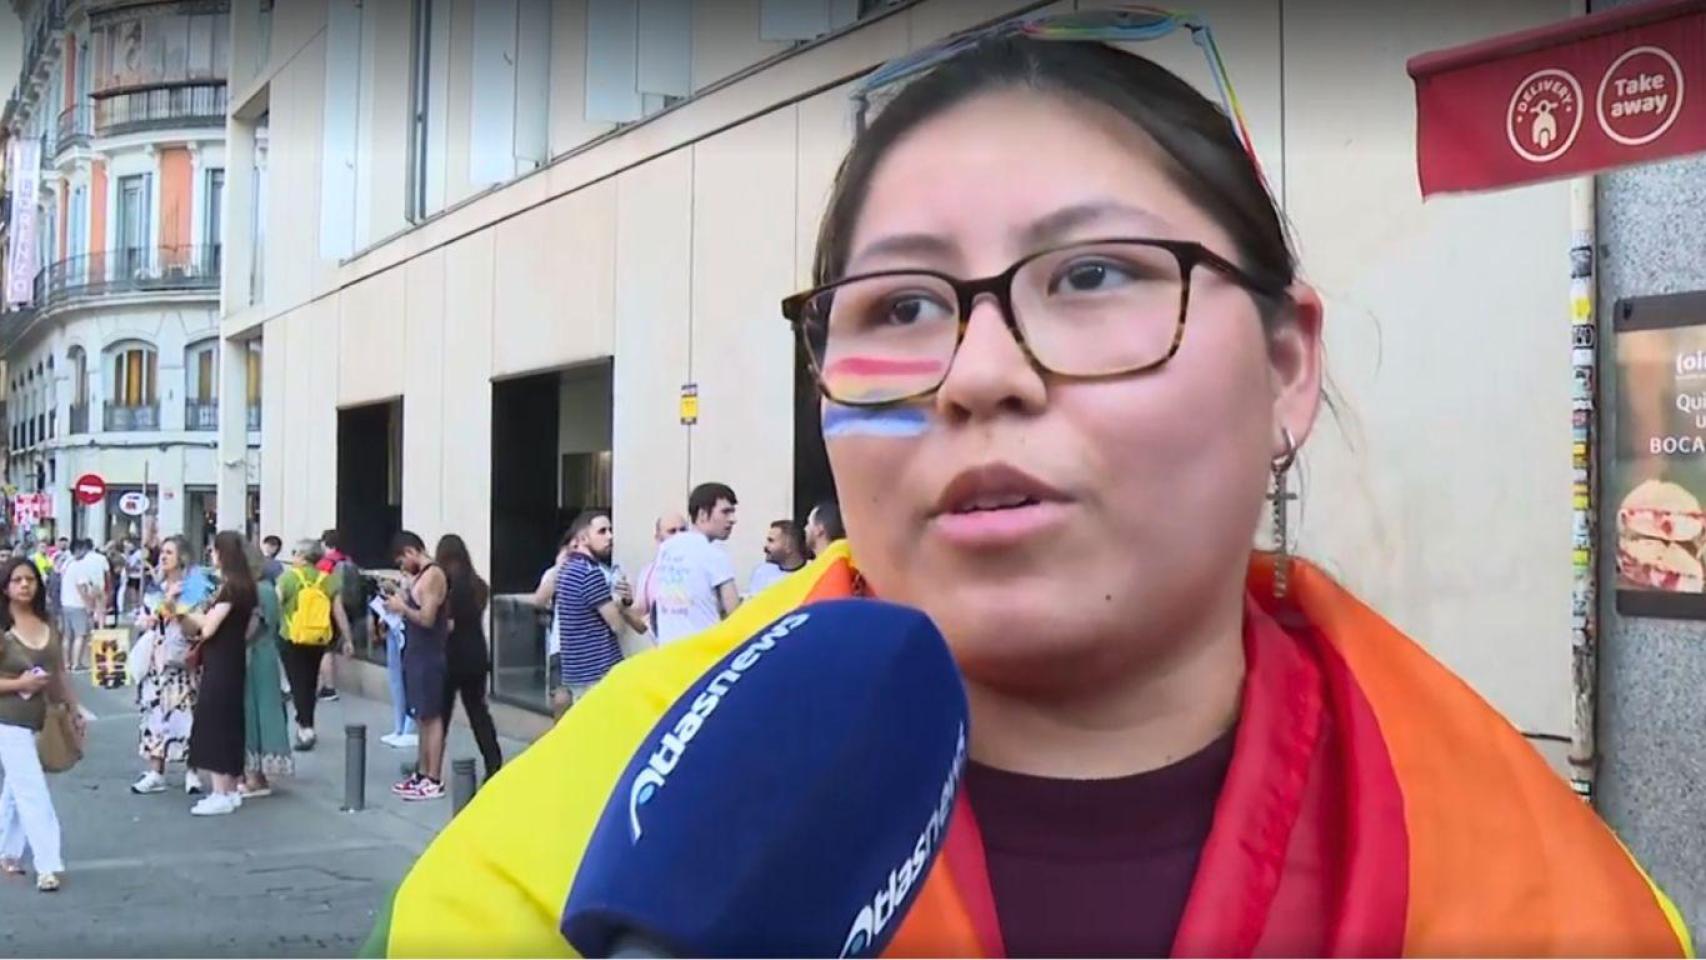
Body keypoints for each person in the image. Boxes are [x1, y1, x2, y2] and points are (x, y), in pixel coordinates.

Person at [365, 19, 1692, 959]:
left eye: (1095, 276)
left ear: (1286, 366)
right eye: (898, 304)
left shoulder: (1556, 902)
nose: (977, 374)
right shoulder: (546, 876)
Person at [0, 556, 84, 892]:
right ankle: (48, 864)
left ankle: (6, 850)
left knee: (16, 789)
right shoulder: (4, 630)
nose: (24, 585)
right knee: (31, 789)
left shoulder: (48, 623)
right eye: (17, 580)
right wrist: (20, 685)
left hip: (45, 718)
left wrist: (74, 710)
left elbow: (59, 674)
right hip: (8, 719)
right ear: (5, 587)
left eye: (30, 580)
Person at [176, 531, 258, 816]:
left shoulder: (231, 588)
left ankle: (220, 790)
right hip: (233, 658)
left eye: (214, 551)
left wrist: (187, 613)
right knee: (231, 721)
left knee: (214, 722)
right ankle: (232, 787)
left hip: (221, 660)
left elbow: (209, 627)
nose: (211, 555)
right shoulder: (246, 587)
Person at [130, 535, 213, 796]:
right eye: (162, 552)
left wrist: (177, 608)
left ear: (182, 558)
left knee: (187, 715)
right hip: (157, 660)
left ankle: (192, 772)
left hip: (182, 662)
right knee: (154, 714)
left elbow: (195, 628)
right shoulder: (155, 589)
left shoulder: (195, 589)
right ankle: (156, 771)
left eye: (169, 553)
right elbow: (144, 618)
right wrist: (148, 619)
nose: (163, 557)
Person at [549, 511, 646, 718]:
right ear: (583, 538)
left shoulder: (567, 570)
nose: (610, 536)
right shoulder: (590, 573)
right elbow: (616, 625)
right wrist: (620, 603)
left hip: (576, 670)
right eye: (602, 531)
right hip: (598, 671)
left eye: (610, 530)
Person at [386, 532, 449, 801]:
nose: (402, 566)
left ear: (412, 551)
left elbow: (427, 617)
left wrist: (402, 607)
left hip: (429, 655)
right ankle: (422, 773)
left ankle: (433, 777)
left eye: (402, 560)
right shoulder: (420, 577)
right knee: (421, 715)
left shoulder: (433, 575)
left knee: (431, 716)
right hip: (415, 652)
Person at [433, 534, 502, 780]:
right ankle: (493, 762)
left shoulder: (444, 585)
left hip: (450, 655)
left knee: (440, 715)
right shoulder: (478, 584)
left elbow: (446, 624)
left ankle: (431, 768)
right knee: (478, 712)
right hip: (475, 654)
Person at [278, 539, 354, 751]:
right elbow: (338, 611)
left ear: (302, 556)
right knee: (310, 681)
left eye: (294, 552)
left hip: (292, 637)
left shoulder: (289, 578)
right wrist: (347, 639)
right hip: (319, 638)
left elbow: (275, 604)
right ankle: (307, 721)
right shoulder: (327, 579)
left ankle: (306, 727)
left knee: (297, 682)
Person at [647, 483, 740, 644]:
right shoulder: (715, 555)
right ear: (703, 514)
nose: (732, 520)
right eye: (725, 512)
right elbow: (736, 615)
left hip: (671, 651)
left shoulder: (667, 549)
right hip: (705, 653)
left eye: (733, 512)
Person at [242, 541, 292, 798]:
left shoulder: (258, 592)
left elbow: (249, 630)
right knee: (263, 710)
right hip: (266, 654)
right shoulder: (268, 589)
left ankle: (254, 775)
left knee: (254, 711)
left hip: (255, 657)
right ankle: (255, 773)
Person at [745, 519, 808, 597]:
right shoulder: (761, 572)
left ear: (789, 546)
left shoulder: (813, 573)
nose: (765, 546)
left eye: (771, 541)